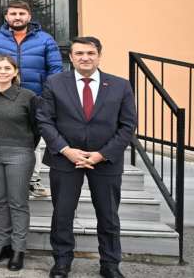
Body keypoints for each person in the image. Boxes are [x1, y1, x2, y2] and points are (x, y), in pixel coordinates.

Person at [37, 37, 136, 278]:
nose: (85, 57)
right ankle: (62, 262)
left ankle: (110, 264)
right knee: (62, 214)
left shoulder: (120, 85)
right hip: (65, 158)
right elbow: (45, 120)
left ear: (99, 56)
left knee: (108, 215)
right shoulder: (54, 83)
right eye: (79, 53)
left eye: (90, 53)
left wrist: (102, 154)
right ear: (71, 57)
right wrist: (66, 150)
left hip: (105, 160)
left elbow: (128, 125)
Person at [0, 0, 63, 198]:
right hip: (0, 97)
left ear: (29, 17)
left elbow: (55, 69)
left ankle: (33, 178)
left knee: (34, 136)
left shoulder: (45, 39)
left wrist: (47, 96)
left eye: (21, 14)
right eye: (13, 14)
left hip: (35, 96)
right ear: (6, 17)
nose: (17, 17)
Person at [0, 54, 39, 271]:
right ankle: (3, 245)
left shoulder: (27, 96)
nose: (2, 72)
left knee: (18, 202)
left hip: (20, 153)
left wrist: (26, 147)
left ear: (15, 72)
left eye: (7, 68)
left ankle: (18, 249)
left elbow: (37, 127)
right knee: (0, 201)